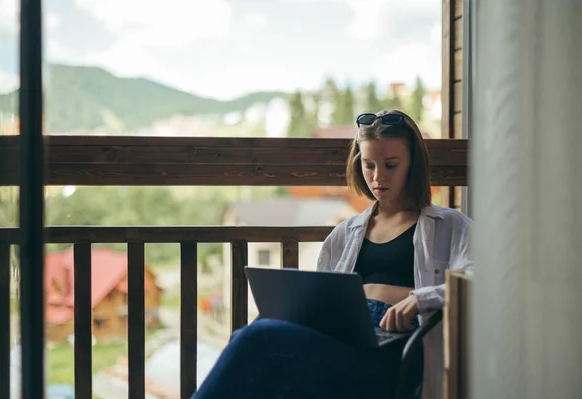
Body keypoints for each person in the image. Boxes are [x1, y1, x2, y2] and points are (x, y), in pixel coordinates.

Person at [192, 110, 472, 399]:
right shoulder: (345, 233)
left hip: (400, 352)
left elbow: (480, 277)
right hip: (347, 343)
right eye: (368, 165)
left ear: (412, 164)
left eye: (390, 165)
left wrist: (419, 298)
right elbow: (322, 300)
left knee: (259, 341)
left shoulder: (449, 225)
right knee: (256, 341)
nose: (378, 177)